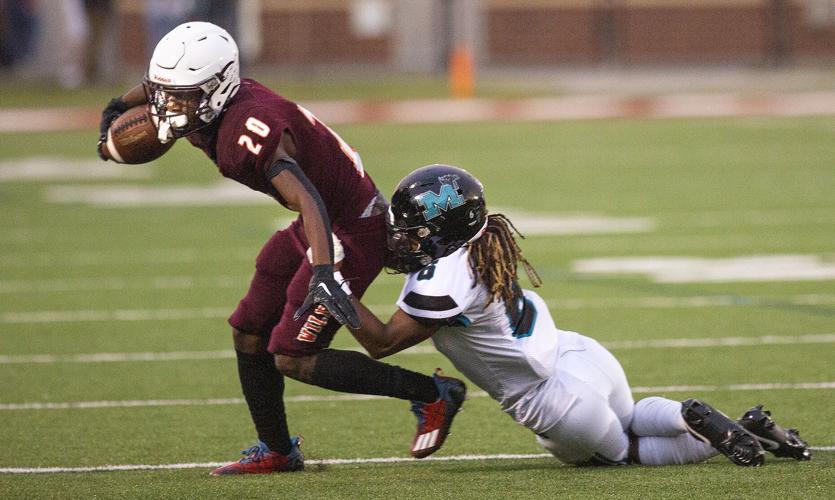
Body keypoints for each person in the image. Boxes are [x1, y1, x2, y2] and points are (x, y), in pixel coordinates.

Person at [96, 22, 466, 475]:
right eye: (167, 93)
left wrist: (326, 274)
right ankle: (276, 449)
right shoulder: (210, 102)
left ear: (215, 89)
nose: (168, 106)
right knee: (248, 330)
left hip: (345, 229)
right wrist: (120, 104)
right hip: (322, 219)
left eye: (182, 96)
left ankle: (432, 394)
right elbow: (155, 86)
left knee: (292, 355)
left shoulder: (245, 134)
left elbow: (307, 199)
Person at [344, 163, 812, 467]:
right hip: (580, 355)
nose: (405, 240)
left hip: (550, 399)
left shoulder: (444, 279)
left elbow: (381, 341)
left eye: (416, 231)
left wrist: (332, 287)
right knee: (631, 417)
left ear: (445, 229)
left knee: (628, 453)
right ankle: (705, 418)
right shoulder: (486, 241)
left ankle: (711, 434)